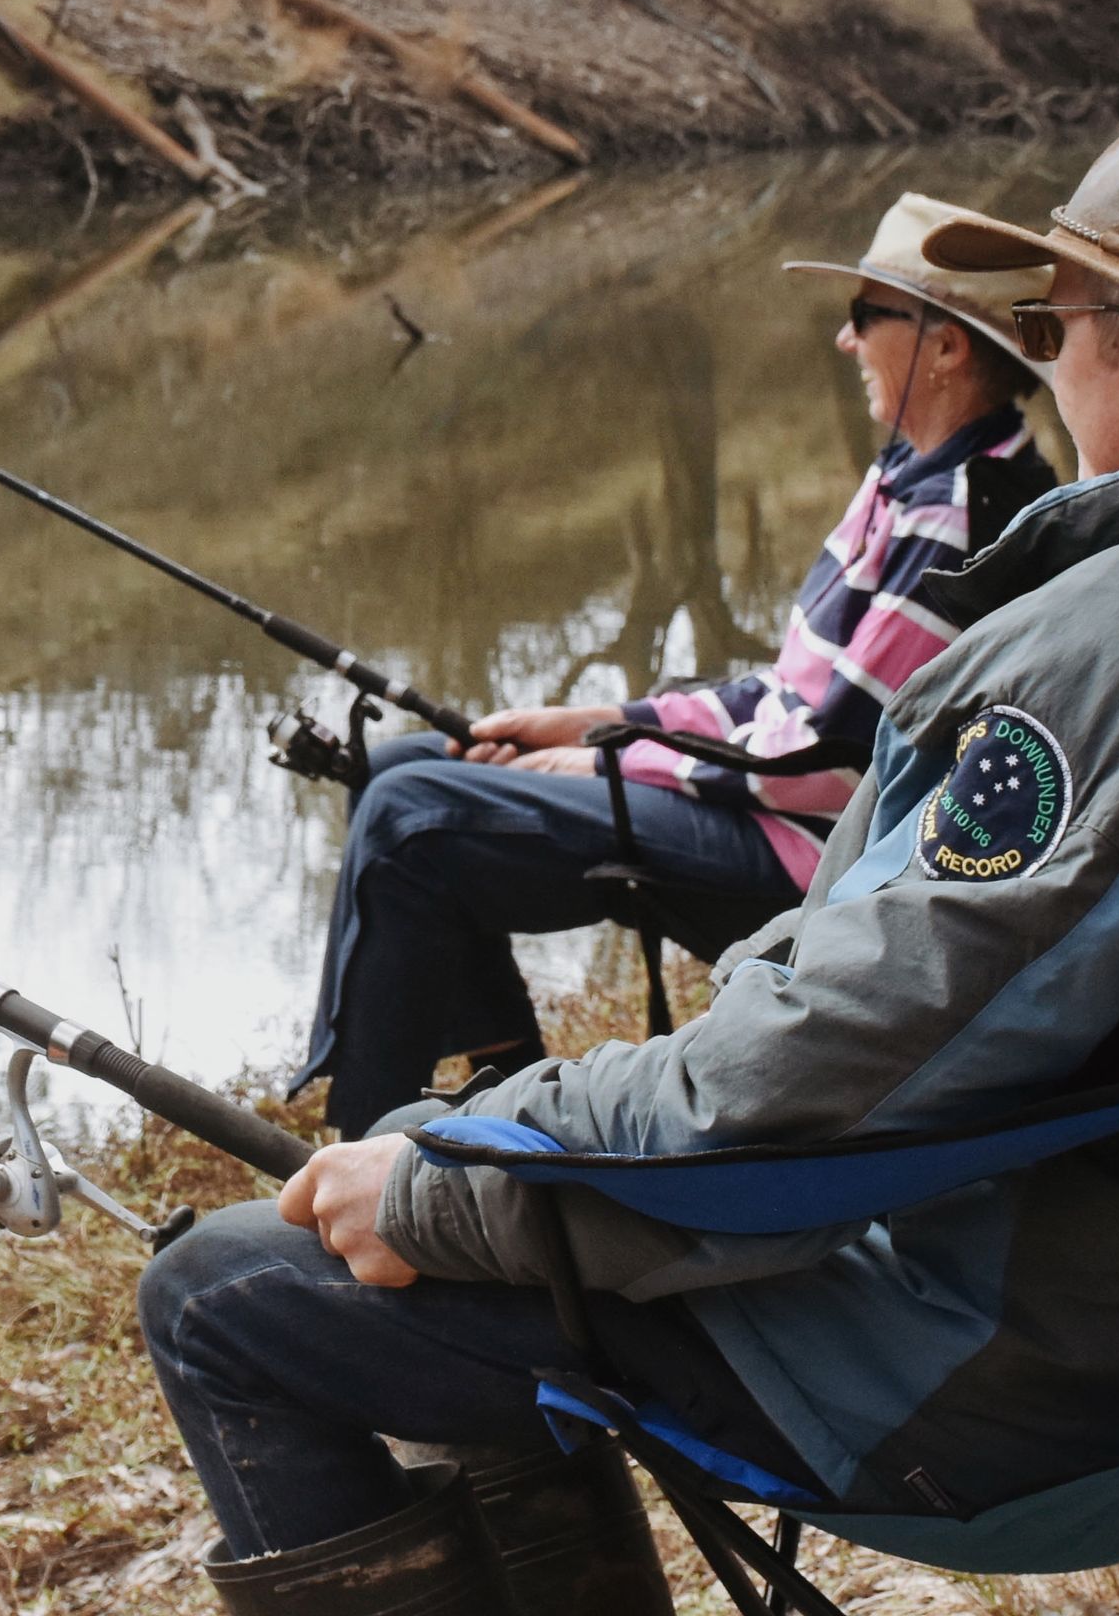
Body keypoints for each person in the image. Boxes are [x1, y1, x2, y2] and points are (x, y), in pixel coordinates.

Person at [141, 100, 1119, 1614]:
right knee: (450, 1214)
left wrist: (455, 1179)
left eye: (1051, 325)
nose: (1039, 360)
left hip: (1044, 1395)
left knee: (225, 1294)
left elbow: (824, 1084)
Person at [286, 196, 1056, 1141]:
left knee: (411, 821)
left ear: (945, 349)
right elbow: (785, 695)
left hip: (813, 859)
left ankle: (356, 1136)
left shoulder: (957, 515)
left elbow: (823, 759)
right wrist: (597, 719)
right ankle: (501, 1096)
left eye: (866, 316)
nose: (845, 342)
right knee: (406, 767)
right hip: (776, 811)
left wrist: (612, 763)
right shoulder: (910, 476)